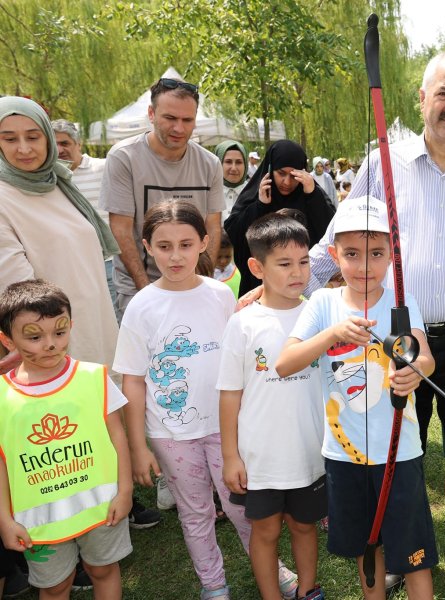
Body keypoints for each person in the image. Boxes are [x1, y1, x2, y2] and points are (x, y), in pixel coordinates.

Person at [307, 50, 445, 598]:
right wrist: (284, 284)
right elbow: (340, 239)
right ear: (422, 98)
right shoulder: (383, 163)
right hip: (392, 338)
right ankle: (394, 552)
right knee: (389, 448)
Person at [113, 201, 299, 600]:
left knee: (244, 508)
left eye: (185, 243)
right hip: (171, 435)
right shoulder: (140, 307)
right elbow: (132, 380)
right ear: (147, 246)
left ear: (203, 242)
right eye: (164, 246)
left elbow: (244, 350)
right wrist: (138, 445)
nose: (175, 255)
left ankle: (272, 566)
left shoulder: (220, 296)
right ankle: (213, 585)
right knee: (196, 512)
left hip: (227, 428)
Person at [276, 197, 437, 600]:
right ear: (333, 256)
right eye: (351, 254)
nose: (364, 266)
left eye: (377, 254)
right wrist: (333, 334)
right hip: (345, 457)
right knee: (368, 550)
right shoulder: (323, 304)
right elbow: (285, 363)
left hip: (400, 453)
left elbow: (426, 357)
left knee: (414, 555)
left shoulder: (404, 303)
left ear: (393, 258)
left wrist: (414, 373)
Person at [0, 280, 132, 599]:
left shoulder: (94, 378)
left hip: (102, 508)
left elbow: (118, 438)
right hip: (40, 521)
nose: (50, 344)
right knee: (55, 585)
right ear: (7, 340)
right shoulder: (2, 396)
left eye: (59, 332)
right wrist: (4, 519)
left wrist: (125, 491)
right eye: (34, 336)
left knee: (103, 570)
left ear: (70, 326)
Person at [218, 214, 326, 600]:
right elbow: (229, 393)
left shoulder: (319, 315)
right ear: (256, 267)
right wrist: (230, 456)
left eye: (304, 261)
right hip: (260, 457)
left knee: (304, 526)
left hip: (310, 451)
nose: (297, 272)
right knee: (264, 531)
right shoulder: (243, 323)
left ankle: (308, 591)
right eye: (284, 264)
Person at [0, 97, 119, 369]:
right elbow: (18, 288)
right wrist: (45, 340)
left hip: (96, 321)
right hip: (51, 338)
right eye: (9, 139)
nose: (24, 148)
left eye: (33, 136)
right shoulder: (4, 197)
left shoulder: (58, 183)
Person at [101, 77, 224, 319]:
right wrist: (147, 289)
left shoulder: (209, 164)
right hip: (138, 286)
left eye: (187, 120)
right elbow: (121, 229)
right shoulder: (124, 158)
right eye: (170, 118)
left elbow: (213, 225)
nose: (178, 128)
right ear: (151, 113)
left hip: (191, 285)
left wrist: (201, 283)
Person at [225, 140, 334, 297]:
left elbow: (331, 234)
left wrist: (313, 197)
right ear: (270, 169)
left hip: (305, 289)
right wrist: (260, 206)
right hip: (261, 290)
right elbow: (235, 233)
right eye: (281, 173)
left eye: (293, 175)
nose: (287, 182)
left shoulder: (311, 194)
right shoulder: (256, 195)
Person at [51, 118, 116, 304]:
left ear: (78, 143)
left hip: (108, 263)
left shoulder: (104, 168)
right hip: (70, 266)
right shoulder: (48, 178)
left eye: (65, 143)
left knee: (114, 318)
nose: (60, 149)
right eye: (54, 144)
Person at [214, 140, 249, 219]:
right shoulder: (208, 193)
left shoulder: (255, 194)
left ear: (245, 165)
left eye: (239, 162)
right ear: (218, 163)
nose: (233, 168)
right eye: (228, 162)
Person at [214, 234, 241, 299]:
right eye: (218, 257)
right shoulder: (204, 274)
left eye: (228, 256)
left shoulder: (239, 273)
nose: (223, 261)